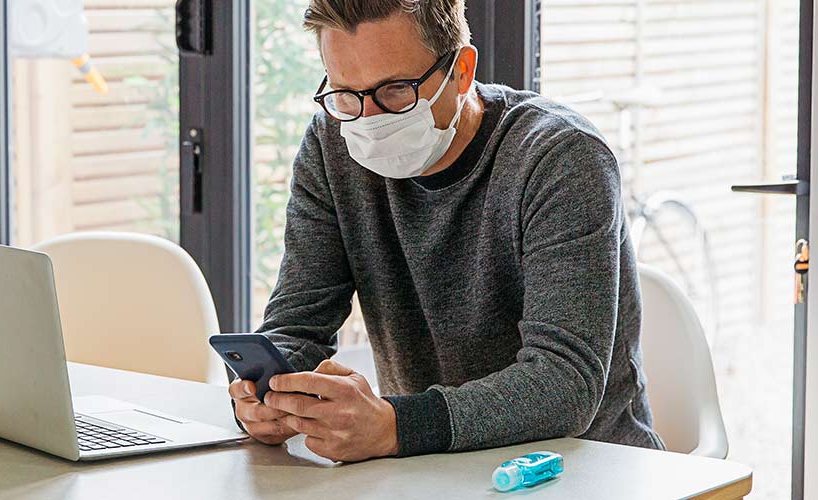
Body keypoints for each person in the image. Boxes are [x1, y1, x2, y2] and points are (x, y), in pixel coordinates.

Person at [227, 0, 663, 463]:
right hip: (426, 466)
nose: (369, 120)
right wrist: (268, 395)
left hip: (585, 469)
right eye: (345, 94)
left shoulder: (561, 159)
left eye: (395, 90)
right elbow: (298, 323)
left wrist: (396, 426)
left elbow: (564, 383)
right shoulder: (331, 145)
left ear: (461, 70)